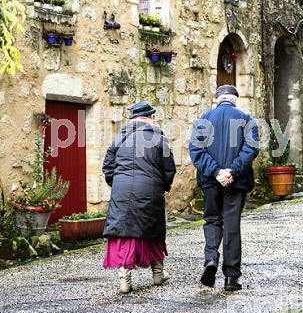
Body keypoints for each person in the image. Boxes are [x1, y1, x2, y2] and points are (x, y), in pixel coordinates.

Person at [189, 85, 259, 291]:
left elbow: (196, 150)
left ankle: (210, 259)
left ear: (217, 99)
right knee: (231, 224)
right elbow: (251, 149)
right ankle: (231, 277)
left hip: (211, 180)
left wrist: (216, 172)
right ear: (234, 99)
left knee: (212, 220)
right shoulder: (247, 120)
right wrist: (231, 172)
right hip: (236, 182)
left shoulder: (203, 120)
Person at [102, 101, 176, 294]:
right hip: (150, 189)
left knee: (125, 232)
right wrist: (163, 186)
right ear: (150, 117)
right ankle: (158, 274)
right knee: (152, 230)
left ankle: (124, 279)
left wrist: (115, 183)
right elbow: (169, 168)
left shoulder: (120, 138)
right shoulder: (160, 138)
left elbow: (108, 165)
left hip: (122, 189)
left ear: (132, 118)